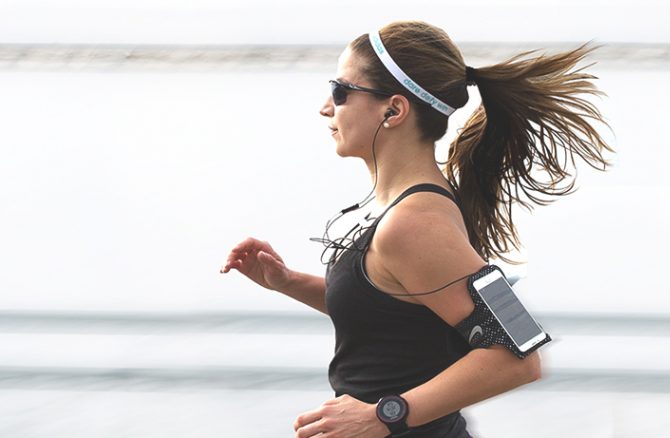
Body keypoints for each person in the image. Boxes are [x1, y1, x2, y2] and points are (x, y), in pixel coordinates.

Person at [220, 20, 613, 437]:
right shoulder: (409, 210)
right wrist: (288, 281)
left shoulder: (416, 223)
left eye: (340, 91)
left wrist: (385, 414)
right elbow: (396, 314)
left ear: (393, 110)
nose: (325, 107)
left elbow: (520, 353)